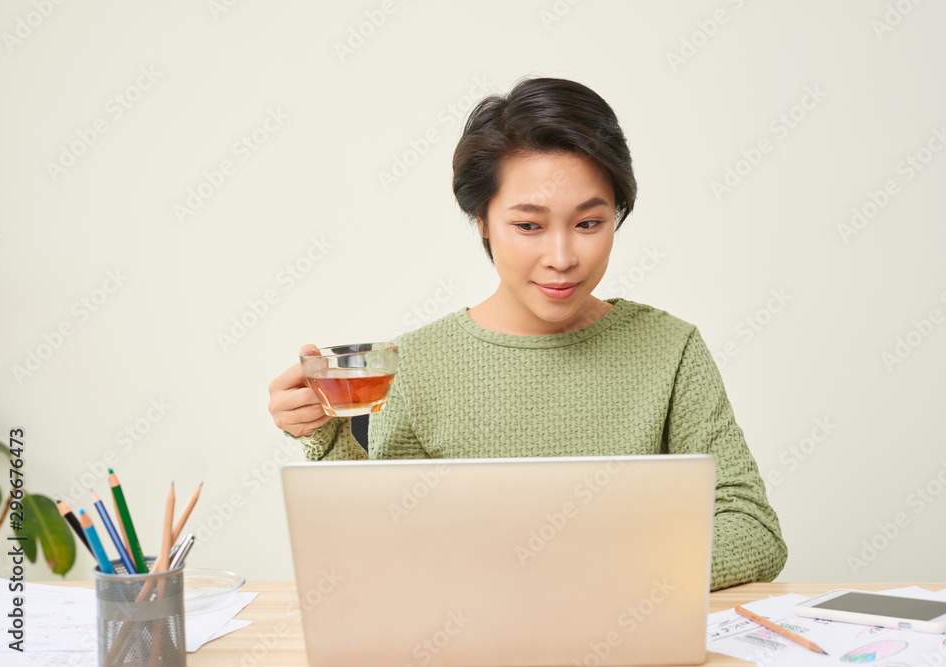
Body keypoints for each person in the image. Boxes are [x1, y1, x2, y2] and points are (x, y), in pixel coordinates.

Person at [267, 77, 787, 591]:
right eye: (529, 226)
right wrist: (327, 433)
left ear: (616, 218)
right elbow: (374, 550)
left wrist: (600, 577)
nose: (561, 259)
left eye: (588, 224)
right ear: (482, 222)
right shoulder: (418, 364)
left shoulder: (671, 350)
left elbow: (753, 529)